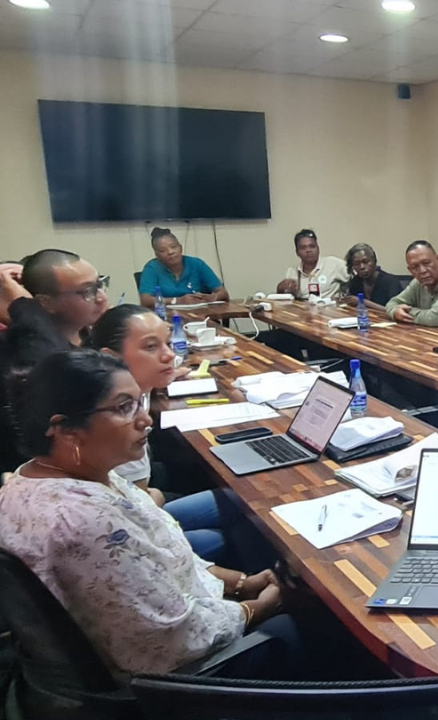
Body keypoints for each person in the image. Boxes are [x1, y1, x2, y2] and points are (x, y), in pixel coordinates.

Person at [0, 350, 296, 679]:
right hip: (159, 682)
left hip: (119, 643)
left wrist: (243, 583)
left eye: (138, 402)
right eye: (123, 407)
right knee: (298, 627)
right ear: (65, 429)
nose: (146, 419)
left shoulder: (43, 475)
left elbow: (163, 555)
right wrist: (260, 607)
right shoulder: (85, 521)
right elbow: (177, 640)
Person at [90, 304, 228, 564]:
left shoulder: (130, 391)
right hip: (130, 534)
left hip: (135, 511)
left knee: (238, 505)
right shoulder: (117, 420)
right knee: (240, 516)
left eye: (168, 343)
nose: (169, 355)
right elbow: (142, 504)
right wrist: (157, 495)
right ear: (111, 357)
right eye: (151, 347)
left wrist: (161, 379)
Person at [0, 250, 110, 471]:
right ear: (44, 303)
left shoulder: (91, 336)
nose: (101, 297)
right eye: (87, 291)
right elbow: (62, 380)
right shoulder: (23, 351)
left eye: (100, 285)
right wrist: (23, 306)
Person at [138, 227, 230, 309]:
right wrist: (176, 300)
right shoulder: (152, 268)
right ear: (157, 255)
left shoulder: (196, 264)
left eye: (173, 247)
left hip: (200, 314)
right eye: (163, 250)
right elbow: (145, 300)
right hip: (166, 317)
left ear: (180, 248)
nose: (170, 252)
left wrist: (212, 298)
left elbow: (223, 293)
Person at [277, 229, 348, 300]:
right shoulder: (292, 272)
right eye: (303, 248)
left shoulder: (333, 264)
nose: (308, 250)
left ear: (318, 248)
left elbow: (353, 278)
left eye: (312, 246)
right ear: (297, 252)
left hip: (329, 305)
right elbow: (286, 298)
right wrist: (282, 290)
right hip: (303, 306)